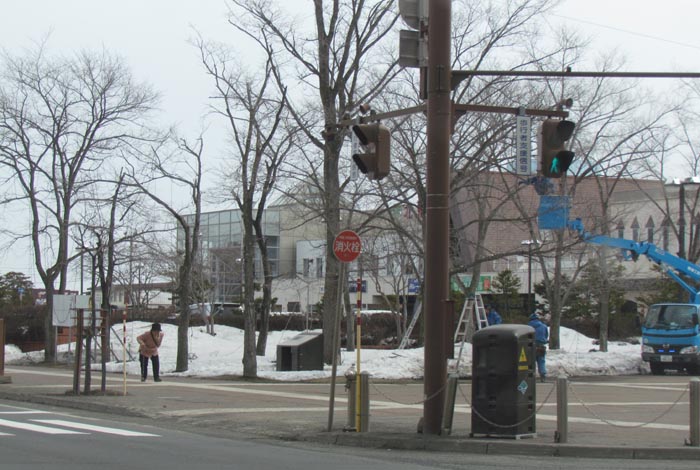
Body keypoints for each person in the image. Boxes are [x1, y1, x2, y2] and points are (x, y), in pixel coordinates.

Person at [528, 311, 549, 382]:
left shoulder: (528, 327)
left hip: (530, 346)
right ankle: (543, 376)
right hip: (541, 346)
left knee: (530, 362)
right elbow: (546, 336)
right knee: (541, 361)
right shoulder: (544, 326)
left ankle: (530, 376)